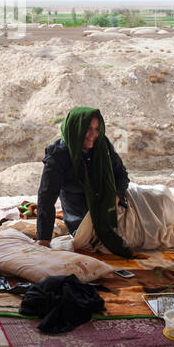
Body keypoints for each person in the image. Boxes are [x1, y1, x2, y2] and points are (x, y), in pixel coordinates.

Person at [35, 107, 134, 258]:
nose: (93, 135)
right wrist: (44, 238)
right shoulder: (59, 155)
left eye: (96, 129)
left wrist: (116, 197)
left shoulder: (102, 145)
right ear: (76, 128)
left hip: (113, 204)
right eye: (87, 129)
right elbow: (46, 197)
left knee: (160, 199)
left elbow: (122, 175)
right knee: (132, 236)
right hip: (82, 217)